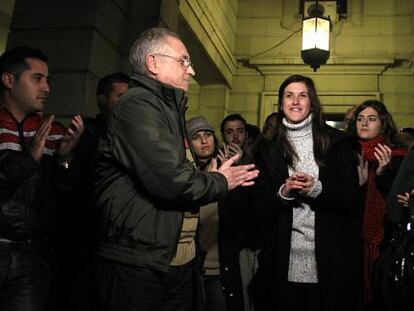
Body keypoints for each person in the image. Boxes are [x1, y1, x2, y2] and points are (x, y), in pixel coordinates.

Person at [93, 27, 259, 311]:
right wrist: (219, 180)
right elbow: (171, 180)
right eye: (183, 61)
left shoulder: (168, 110)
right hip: (140, 261)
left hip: (174, 261)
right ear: (153, 63)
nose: (191, 70)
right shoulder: (137, 105)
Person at [249, 74, 362, 311]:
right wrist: (283, 192)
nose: (296, 102)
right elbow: (256, 207)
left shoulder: (338, 143)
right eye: (289, 96)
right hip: (281, 261)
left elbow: (352, 200)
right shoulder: (266, 150)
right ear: (281, 104)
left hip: (329, 261)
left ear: (312, 102)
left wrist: (317, 189)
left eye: (303, 95)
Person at [0, 46, 84, 310]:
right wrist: (29, 158)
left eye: (48, 80)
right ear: (9, 80)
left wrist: (65, 160)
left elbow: (65, 193)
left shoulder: (53, 131)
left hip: (34, 256)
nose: (46, 87)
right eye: (37, 78)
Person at [59, 72, 129, 310]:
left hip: (118, 241)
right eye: (120, 96)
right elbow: (66, 176)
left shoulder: (133, 136)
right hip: (83, 236)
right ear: (102, 100)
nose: (127, 103)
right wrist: (66, 157)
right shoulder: (86, 131)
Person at [348, 99, 407, 307]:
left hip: (385, 242)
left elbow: (399, 203)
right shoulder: (347, 155)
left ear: (383, 124)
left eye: (371, 119)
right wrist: (360, 184)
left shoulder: (398, 156)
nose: (364, 123)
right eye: (360, 119)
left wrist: (382, 175)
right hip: (350, 240)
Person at [186, 116, 246, 311]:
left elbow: (243, 215)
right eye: (197, 136)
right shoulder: (184, 177)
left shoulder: (225, 171)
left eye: (208, 135)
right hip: (189, 269)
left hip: (219, 269)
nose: (205, 141)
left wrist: (228, 178)